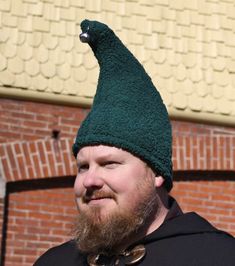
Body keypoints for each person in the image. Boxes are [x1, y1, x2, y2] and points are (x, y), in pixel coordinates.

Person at [34, 20, 235, 266]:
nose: (89, 180)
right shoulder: (54, 262)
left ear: (157, 173)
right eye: (83, 166)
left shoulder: (217, 257)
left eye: (109, 163)